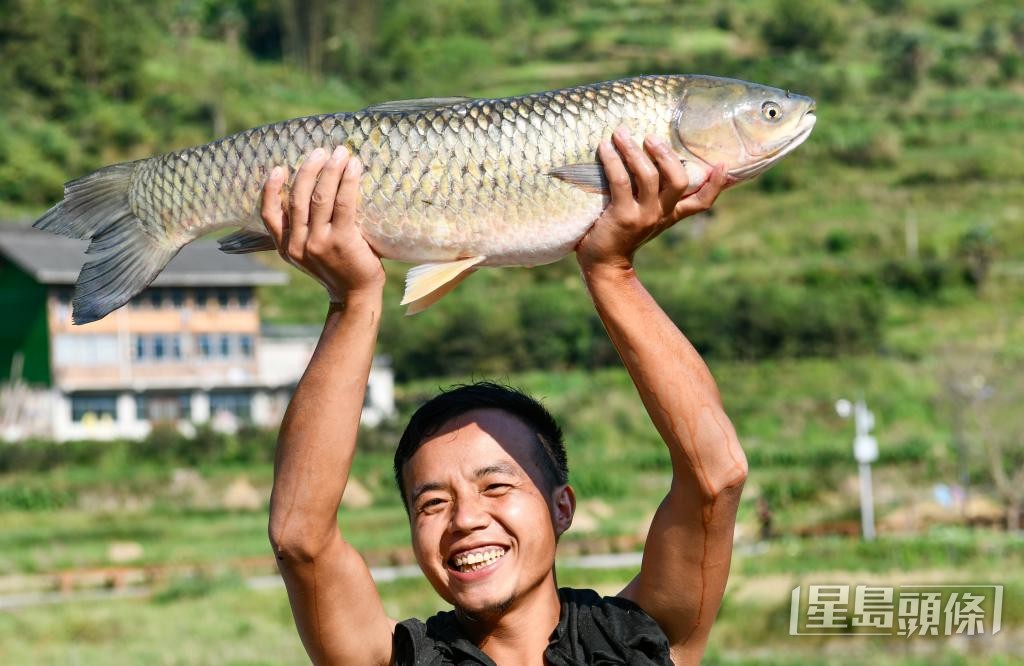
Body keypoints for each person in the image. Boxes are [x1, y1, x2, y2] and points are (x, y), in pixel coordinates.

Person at [262, 127, 747, 665]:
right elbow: (299, 537)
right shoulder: (396, 660)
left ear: (562, 507)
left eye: (495, 486)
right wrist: (352, 300)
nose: (465, 519)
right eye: (432, 503)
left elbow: (715, 477)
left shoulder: (639, 640)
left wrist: (611, 269)